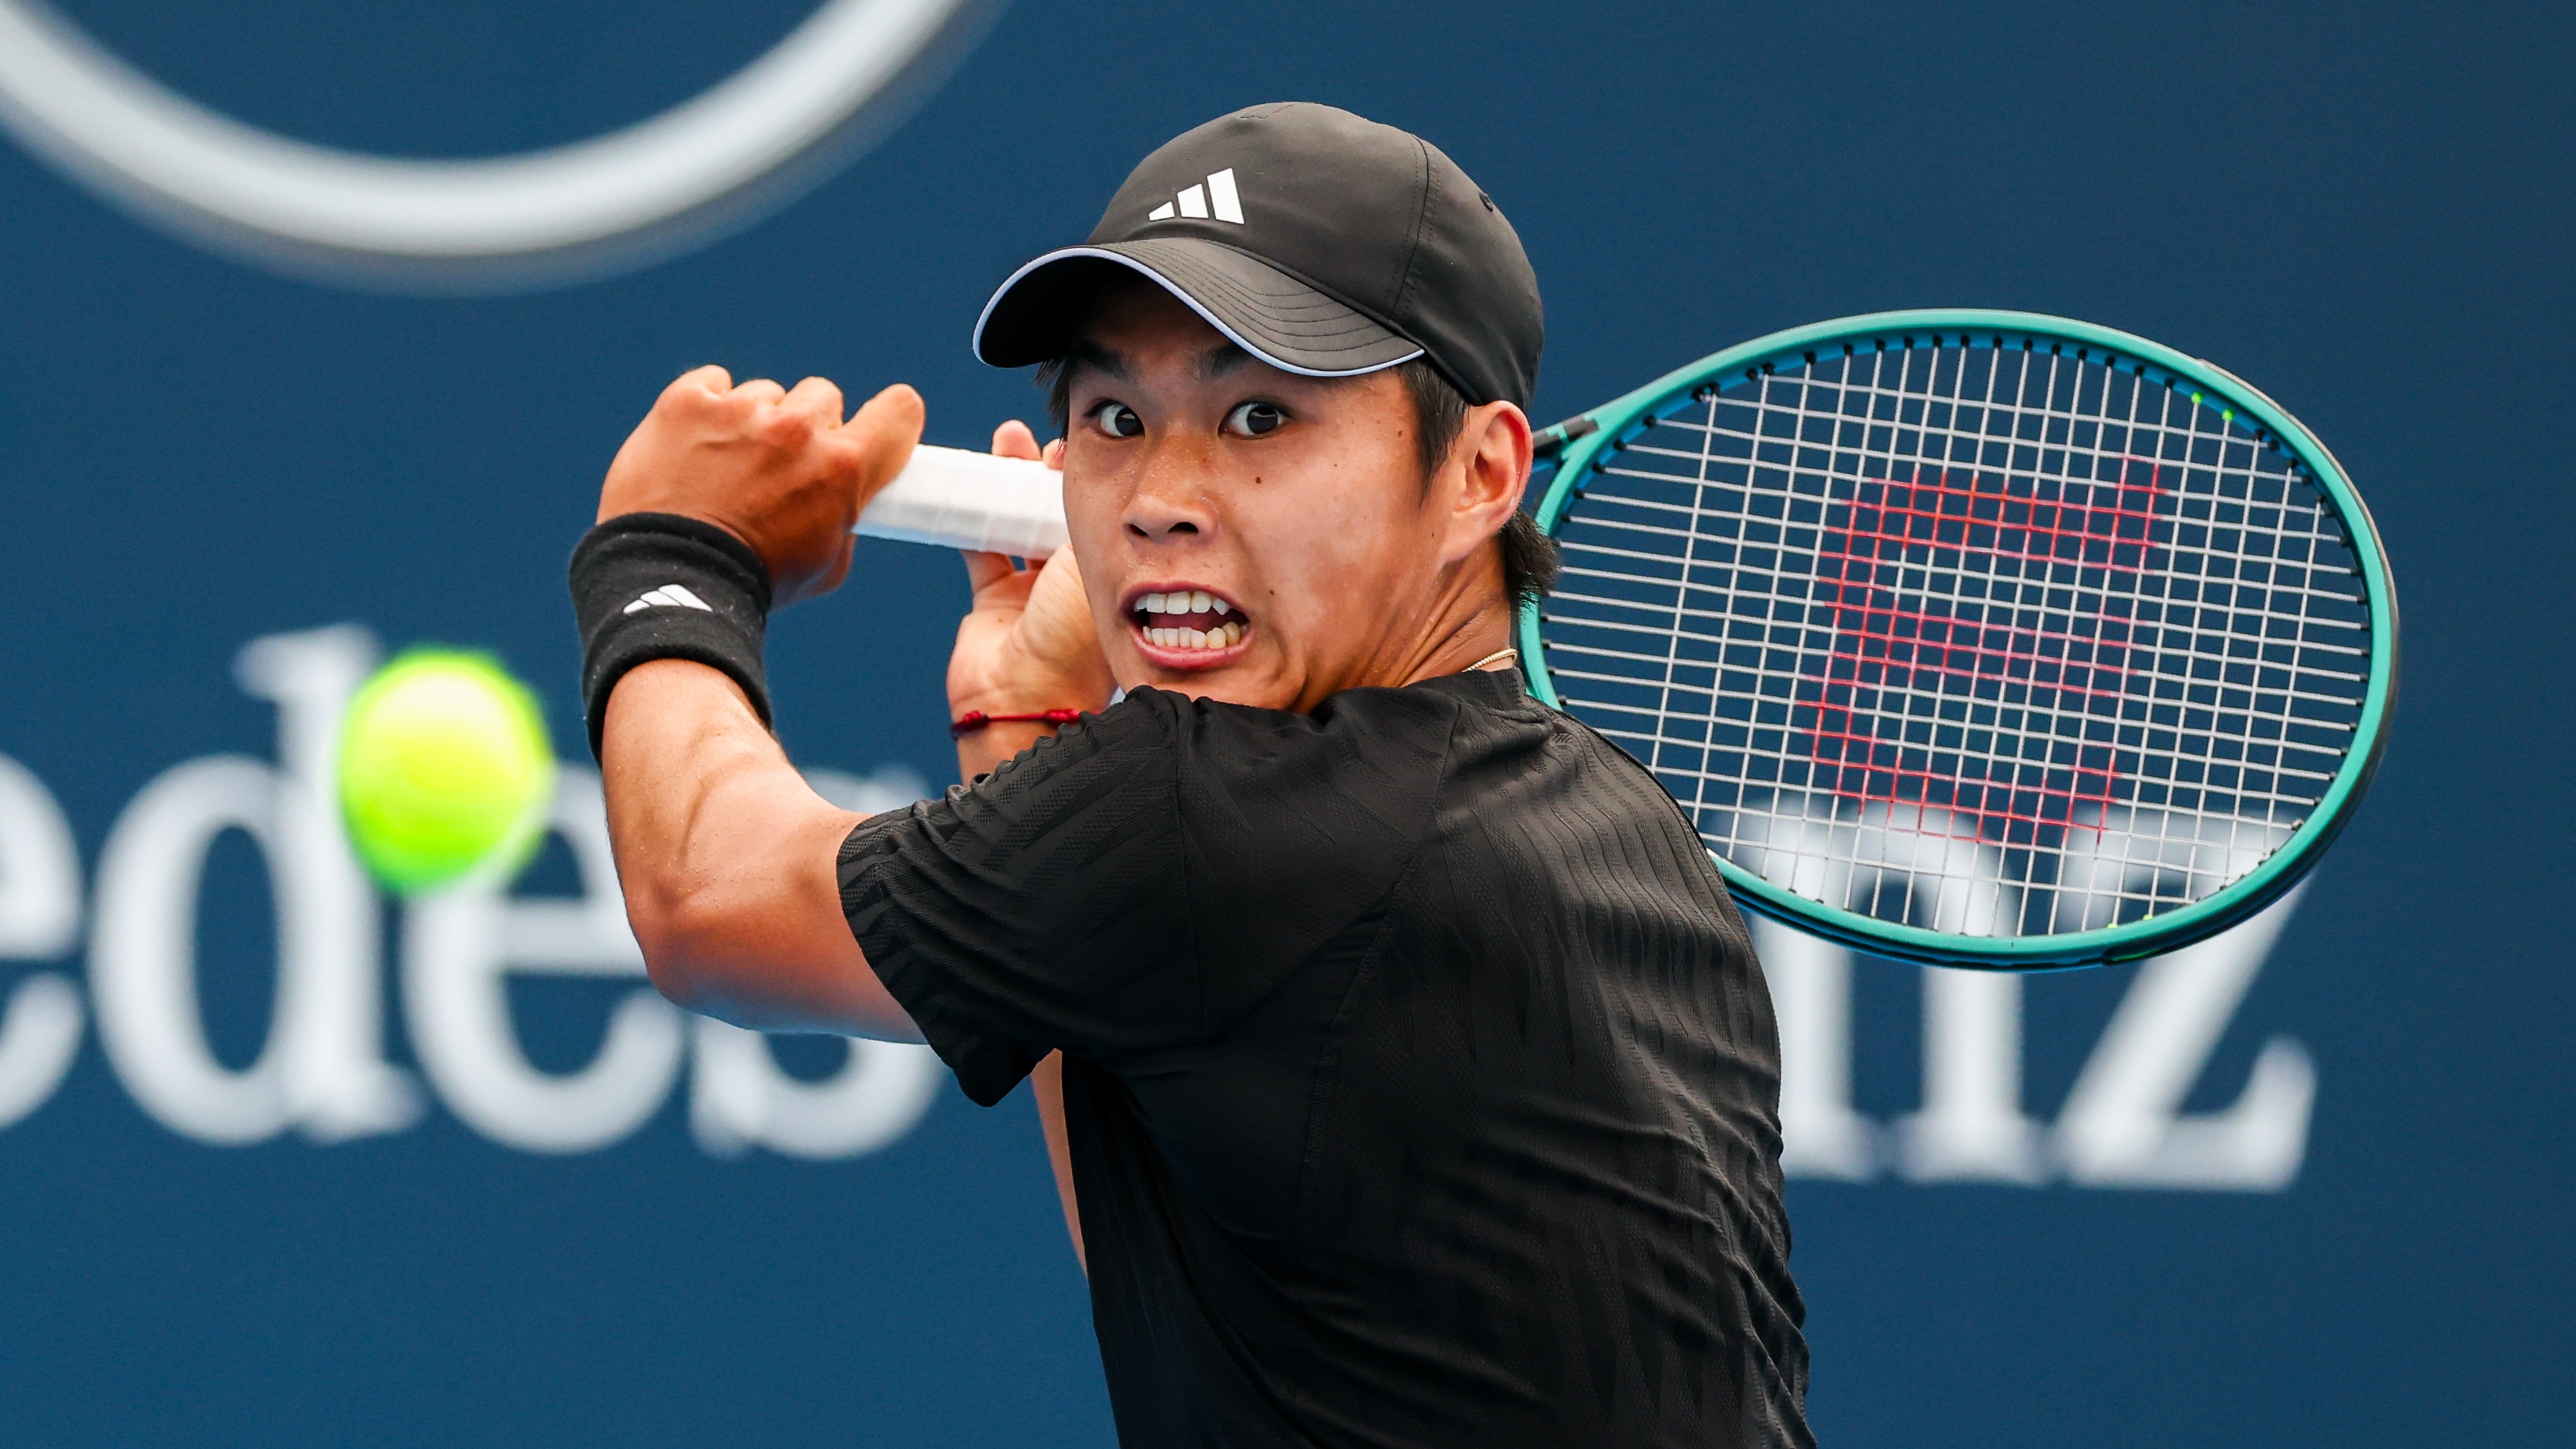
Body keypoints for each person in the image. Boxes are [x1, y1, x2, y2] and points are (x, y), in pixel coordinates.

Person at [569, 103, 1810, 1447]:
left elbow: (707, 899)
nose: (1159, 495)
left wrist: (671, 555)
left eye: (1258, 414)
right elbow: (1218, 1301)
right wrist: (1021, 715)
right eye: (1115, 416)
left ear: (1478, 475)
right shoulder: (1617, 838)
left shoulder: (1222, 810)